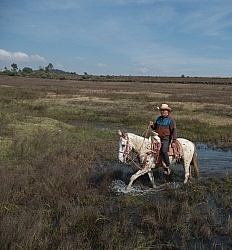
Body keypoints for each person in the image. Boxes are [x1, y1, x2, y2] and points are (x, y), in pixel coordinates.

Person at [149, 103, 177, 175]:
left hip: (166, 138)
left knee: (164, 150)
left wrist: (174, 141)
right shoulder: (159, 119)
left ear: (167, 111)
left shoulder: (171, 120)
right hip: (157, 137)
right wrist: (152, 125)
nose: (162, 112)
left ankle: (167, 165)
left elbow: (174, 130)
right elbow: (155, 128)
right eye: (161, 111)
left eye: (164, 111)